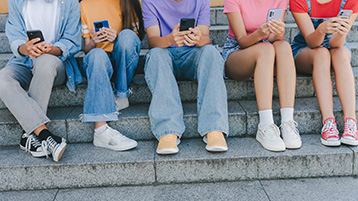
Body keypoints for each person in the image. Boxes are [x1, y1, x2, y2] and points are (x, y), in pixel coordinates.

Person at [142, 0, 229, 154]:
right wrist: (170, 40)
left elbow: (206, 39)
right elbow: (152, 41)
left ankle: (214, 128)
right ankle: (168, 129)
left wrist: (197, 39)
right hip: (165, 54)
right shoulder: (150, 2)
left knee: (211, 52)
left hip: (191, 55)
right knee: (155, 56)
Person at [0, 0, 82, 162]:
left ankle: (31, 134)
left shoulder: (70, 3)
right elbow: (15, 36)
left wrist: (50, 49)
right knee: (2, 78)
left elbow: (72, 41)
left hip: (54, 64)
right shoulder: (17, 2)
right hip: (24, 62)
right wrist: (27, 48)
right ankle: (42, 134)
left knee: (44, 61)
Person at [223, 0, 302, 152]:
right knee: (266, 49)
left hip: (267, 53)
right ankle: (265, 125)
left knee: (284, 46)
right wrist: (260, 33)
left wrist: (278, 33)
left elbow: (275, 39)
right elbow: (241, 40)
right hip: (238, 53)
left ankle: (287, 122)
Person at [290, 0, 358, 146]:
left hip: (336, 48)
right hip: (307, 49)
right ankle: (328, 122)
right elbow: (312, 42)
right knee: (321, 53)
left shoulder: (350, 2)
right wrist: (321, 30)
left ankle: (351, 122)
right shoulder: (299, 2)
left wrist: (341, 32)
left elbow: (336, 44)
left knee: (339, 53)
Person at [79, 0, 145, 151]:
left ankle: (122, 95)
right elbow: (87, 49)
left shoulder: (129, 2)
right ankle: (101, 131)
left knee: (127, 35)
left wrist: (117, 39)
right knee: (96, 54)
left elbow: (134, 42)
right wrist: (94, 42)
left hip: (121, 62)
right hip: (99, 63)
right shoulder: (85, 4)